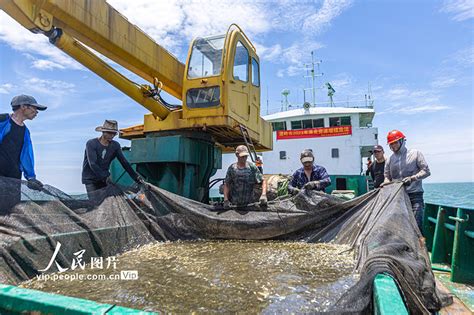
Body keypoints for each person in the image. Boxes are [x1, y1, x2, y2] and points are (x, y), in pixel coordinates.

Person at [0, 95, 46, 212]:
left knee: (11, 211)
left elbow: (26, 156)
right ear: (23, 106)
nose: (36, 112)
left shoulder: (25, 131)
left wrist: (31, 177)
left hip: (14, 178)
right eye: (34, 108)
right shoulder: (3, 120)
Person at [81, 120, 144, 198]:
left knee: (106, 202)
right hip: (90, 179)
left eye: (114, 133)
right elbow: (93, 164)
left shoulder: (115, 146)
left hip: (104, 179)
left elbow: (124, 163)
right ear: (103, 132)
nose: (112, 135)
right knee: (95, 204)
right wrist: (105, 176)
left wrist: (136, 178)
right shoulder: (91, 143)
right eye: (109, 133)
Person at [382, 130, 430, 231]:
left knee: (416, 226)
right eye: (391, 144)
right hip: (398, 197)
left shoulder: (415, 154)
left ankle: (419, 246)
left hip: (415, 196)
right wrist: (386, 183)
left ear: (402, 141)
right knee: (399, 228)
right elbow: (387, 176)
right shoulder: (390, 160)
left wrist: (413, 178)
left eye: (395, 143)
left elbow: (426, 171)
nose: (393, 146)